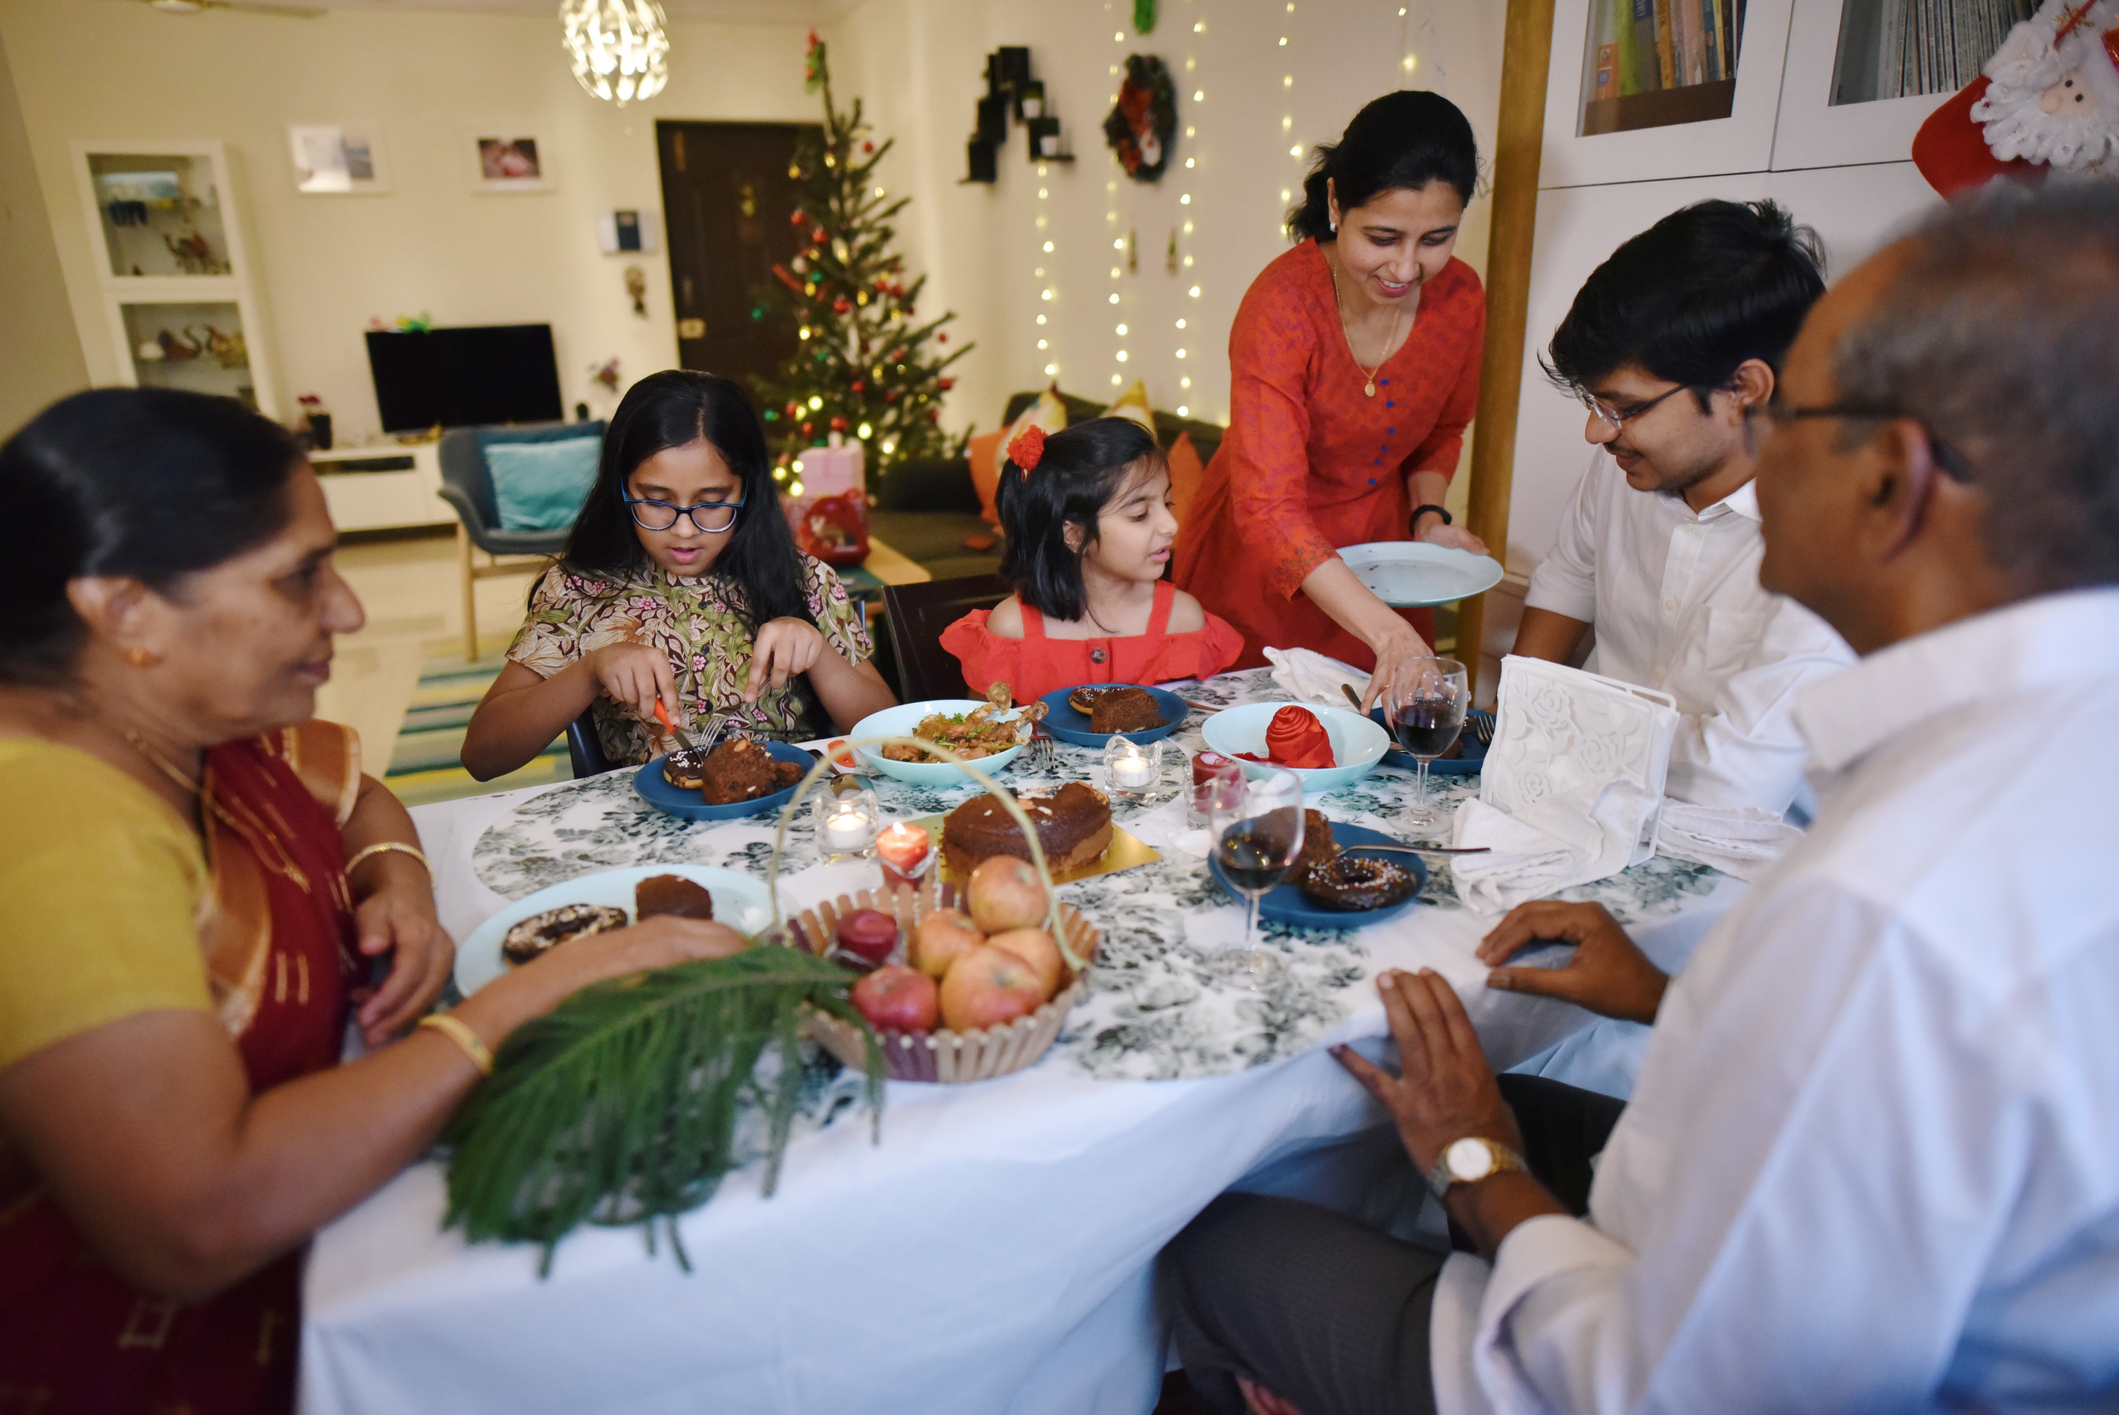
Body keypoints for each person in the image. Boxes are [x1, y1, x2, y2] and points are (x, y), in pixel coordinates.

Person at [1162, 184, 2119, 1413]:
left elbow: (1660, 1383)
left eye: (1797, 415)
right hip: (1719, 1218)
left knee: (1205, 1233)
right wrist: (1673, 1000)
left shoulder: (1885, 906)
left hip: (1587, 1361)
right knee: (1387, 1123)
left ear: (1892, 475)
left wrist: (1473, 1157)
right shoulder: (2036, 756)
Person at [0, 388, 743, 1413]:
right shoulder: (46, 821)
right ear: (126, 610)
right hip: (206, 1354)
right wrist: (545, 987)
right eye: (299, 575)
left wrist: (394, 874)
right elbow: (197, 1220)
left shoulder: (178, 719)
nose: (348, 609)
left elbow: (359, 793)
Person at [1516, 199, 1854, 814]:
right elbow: (1570, 578)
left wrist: (1570, 734)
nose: (1597, 432)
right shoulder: (1628, 464)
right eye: (1596, 404)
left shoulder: (1836, 541)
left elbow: (1731, 785)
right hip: (1571, 795)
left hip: (1722, 846)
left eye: (1626, 408)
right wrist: (1514, 727)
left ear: (1744, 388)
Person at [1172, 91, 1490, 707]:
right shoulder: (1282, 307)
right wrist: (1388, 632)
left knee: (1376, 732)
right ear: (1337, 203)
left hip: (1380, 553)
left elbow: (1443, 431)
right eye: (1383, 237)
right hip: (1264, 556)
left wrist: (1428, 518)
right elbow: (1269, 508)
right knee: (1259, 737)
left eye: (1436, 238)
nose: (1406, 268)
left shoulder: (1461, 298)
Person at [461, 371, 895, 778]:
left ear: (748, 489)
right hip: (657, 821)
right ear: (621, 487)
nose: (684, 530)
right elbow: (482, 756)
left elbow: (889, 738)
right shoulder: (580, 590)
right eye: (656, 500)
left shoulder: (805, 578)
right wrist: (589, 672)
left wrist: (818, 652)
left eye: (712, 501)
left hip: (794, 809)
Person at [940, 418, 1242, 703]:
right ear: (1073, 534)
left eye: (1167, 503)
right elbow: (980, 732)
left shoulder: (1183, 620)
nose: (1170, 525)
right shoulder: (1011, 629)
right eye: (1140, 515)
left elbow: (1199, 726)